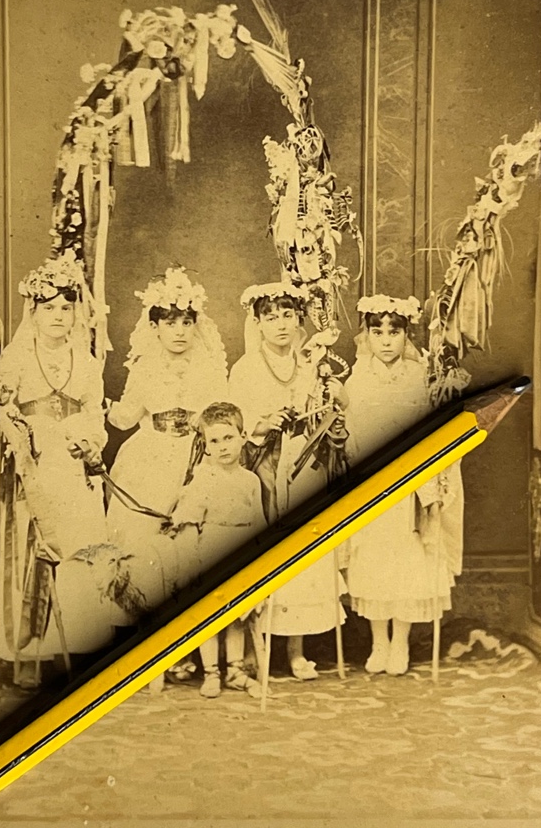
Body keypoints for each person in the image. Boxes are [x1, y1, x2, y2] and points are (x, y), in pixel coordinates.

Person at [0, 253, 116, 687]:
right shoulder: (15, 359)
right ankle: (29, 649)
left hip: (72, 469)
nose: (58, 316)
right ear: (33, 311)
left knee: (77, 548)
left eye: (66, 308)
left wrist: (91, 442)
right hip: (30, 468)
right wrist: (19, 432)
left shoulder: (86, 362)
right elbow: (4, 414)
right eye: (49, 308)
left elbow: (94, 413)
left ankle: (75, 645)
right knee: (32, 551)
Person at [228, 283, 346, 681]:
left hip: (301, 461)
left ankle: (296, 650)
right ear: (258, 324)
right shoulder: (245, 369)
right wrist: (264, 423)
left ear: (299, 321)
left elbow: (331, 407)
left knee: (301, 547)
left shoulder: (313, 364)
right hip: (262, 463)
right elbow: (236, 422)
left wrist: (325, 405)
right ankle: (254, 649)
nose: (280, 324)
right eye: (271, 317)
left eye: (288, 316)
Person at [341, 294, 462, 676]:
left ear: (406, 335)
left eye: (395, 332)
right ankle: (379, 641)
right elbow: (352, 433)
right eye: (378, 332)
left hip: (411, 483)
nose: (387, 340)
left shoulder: (422, 376)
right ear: (367, 336)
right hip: (374, 479)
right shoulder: (357, 378)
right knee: (375, 558)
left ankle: (401, 643)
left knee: (409, 559)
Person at [105, 266, 228, 615]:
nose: (179, 331)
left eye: (186, 322)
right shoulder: (144, 367)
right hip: (150, 456)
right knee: (144, 539)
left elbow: (221, 412)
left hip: (195, 455)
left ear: (196, 325)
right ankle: (143, 620)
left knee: (193, 540)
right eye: (170, 323)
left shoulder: (209, 367)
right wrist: (106, 408)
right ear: (155, 327)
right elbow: (126, 417)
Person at [167, 403, 268, 699]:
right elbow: (189, 519)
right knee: (210, 615)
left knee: (237, 615)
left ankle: (236, 671)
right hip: (211, 550)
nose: (222, 447)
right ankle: (211, 671)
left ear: (243, 436)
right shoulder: (203, 479)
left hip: (241, 551)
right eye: (214, 441)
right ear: (205, 446)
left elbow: (259, 522)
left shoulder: (251, 481)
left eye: (228, 438)